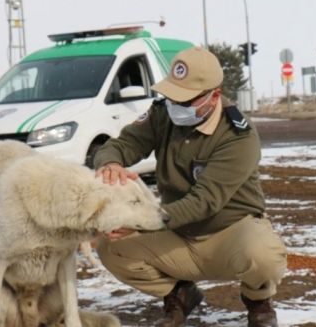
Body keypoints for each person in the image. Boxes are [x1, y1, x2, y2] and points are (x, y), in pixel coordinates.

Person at [93, 47, 287, 327]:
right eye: (171, 96)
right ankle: (180, 295)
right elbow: (122, 145)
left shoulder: (237, 135)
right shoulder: (162, 115)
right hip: (178, 232)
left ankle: (259, 302)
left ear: (214, 96)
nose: (175, 106)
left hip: (230, 233)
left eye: (185, 100)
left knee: (264, 255)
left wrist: (141, 221)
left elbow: (204, 201)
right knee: (113, 247)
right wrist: (110, 163)